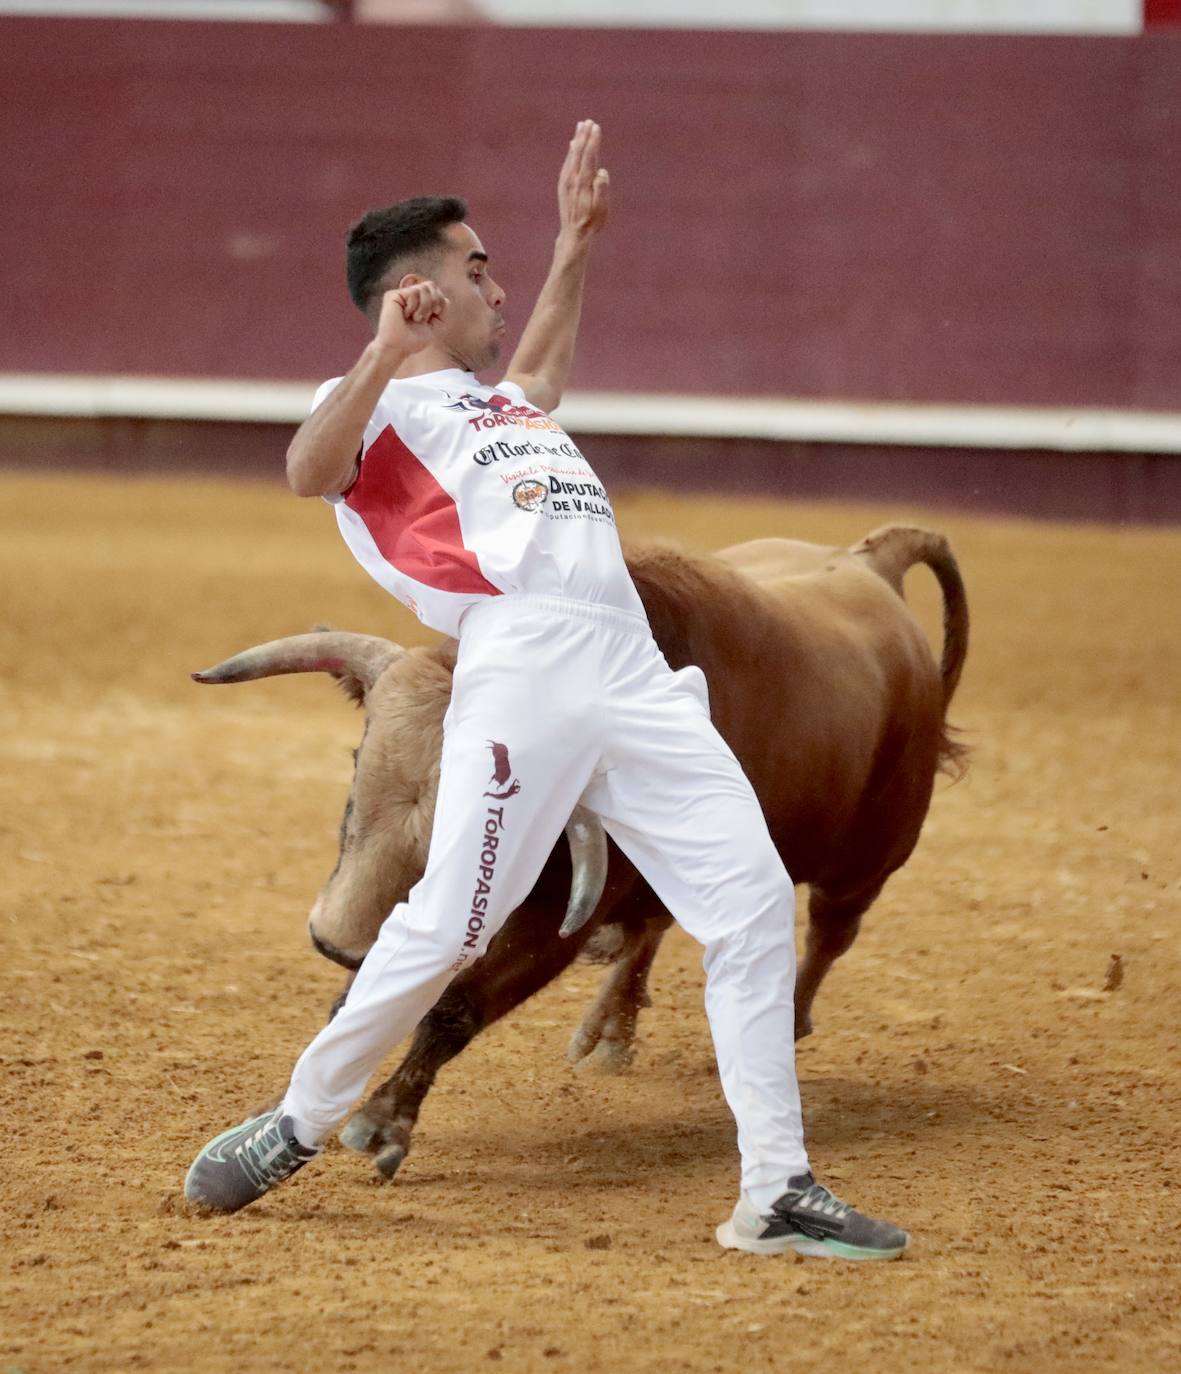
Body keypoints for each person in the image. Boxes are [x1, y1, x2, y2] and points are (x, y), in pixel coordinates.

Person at [184, 121, 908, 1262]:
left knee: (754, 905)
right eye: (481, 270)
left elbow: (546, 372)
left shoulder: (499, 410)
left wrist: (578, 241)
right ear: (417, 292)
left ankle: (775, 1187)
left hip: (628, 661)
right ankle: (296, 1120)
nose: (500, 288)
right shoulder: (373, 402)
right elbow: (304, 472)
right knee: (454, 920)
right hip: (521, 657)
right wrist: (382, 353)